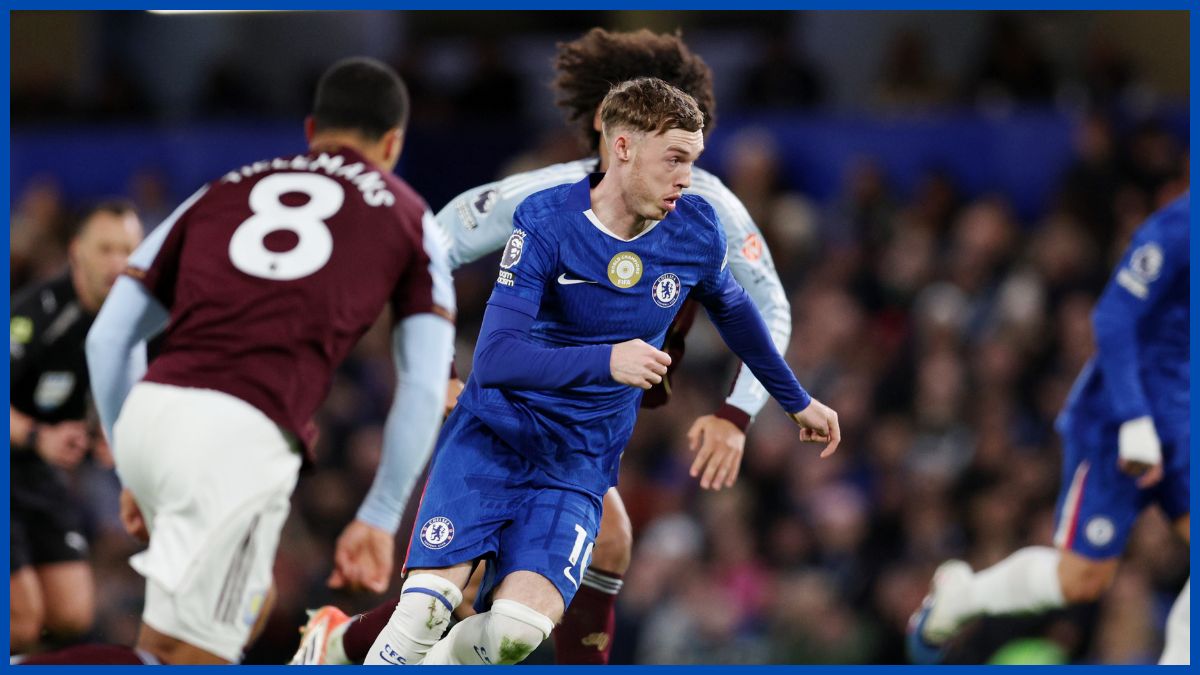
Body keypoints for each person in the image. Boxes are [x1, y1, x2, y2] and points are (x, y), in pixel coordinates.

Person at [292, 27, 794, 667]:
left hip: (590, 424)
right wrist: (441, 368)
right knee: (475, 586)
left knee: (587, 559)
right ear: (608, 127)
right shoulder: (543, 199)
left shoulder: (705, 208)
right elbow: (430, 248)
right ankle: (340, 643)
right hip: (511, 413)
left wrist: (736, 413)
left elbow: (769, 307)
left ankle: (340, 641)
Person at [21, 57, 456, 665]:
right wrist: (380, 516)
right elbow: (421, 383)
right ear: (392, 142)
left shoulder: (221, 189)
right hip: (239, 439)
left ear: (310, 132)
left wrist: (129, 458)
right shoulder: (412, 217)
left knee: (246, 609)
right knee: (190, 655)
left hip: (151, 410)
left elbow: (109, 336)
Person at [908, 192, 1190, 665]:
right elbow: (1114, 316)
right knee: (1081, 580)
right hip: (1118, 420)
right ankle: (961, 598)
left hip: (1186, 422)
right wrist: (1136, 419)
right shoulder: (1182, 227)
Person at [9, 201, 144, 654]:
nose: (118, 262)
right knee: (22, 620)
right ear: (76, 253)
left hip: (38, 476)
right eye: (105, 248)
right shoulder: (35, 314)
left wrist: (108, 433)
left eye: (128, 249)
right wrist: (35, 436)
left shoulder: (136, 321)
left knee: (71, 614)